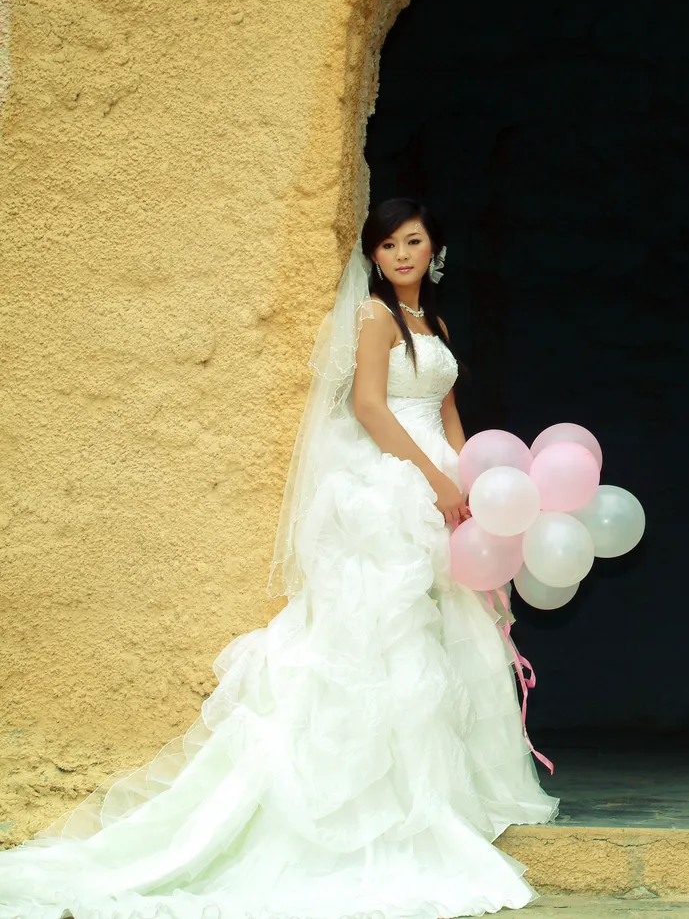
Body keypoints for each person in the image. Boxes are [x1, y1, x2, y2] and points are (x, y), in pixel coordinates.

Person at [0, 199, 558, 916]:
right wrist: (434, 479)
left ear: (435, 250)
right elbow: (370, 407)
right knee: (388, 630)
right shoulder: (375, 317)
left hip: (444, 482)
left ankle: (452, 791)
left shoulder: (437, 327)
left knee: (449, 629)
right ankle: (380, 802)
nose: (400, 254)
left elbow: (448, 410)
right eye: (387, 245)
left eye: (413, 241)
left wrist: (469, 477)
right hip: (391, 480)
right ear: (374, 257)